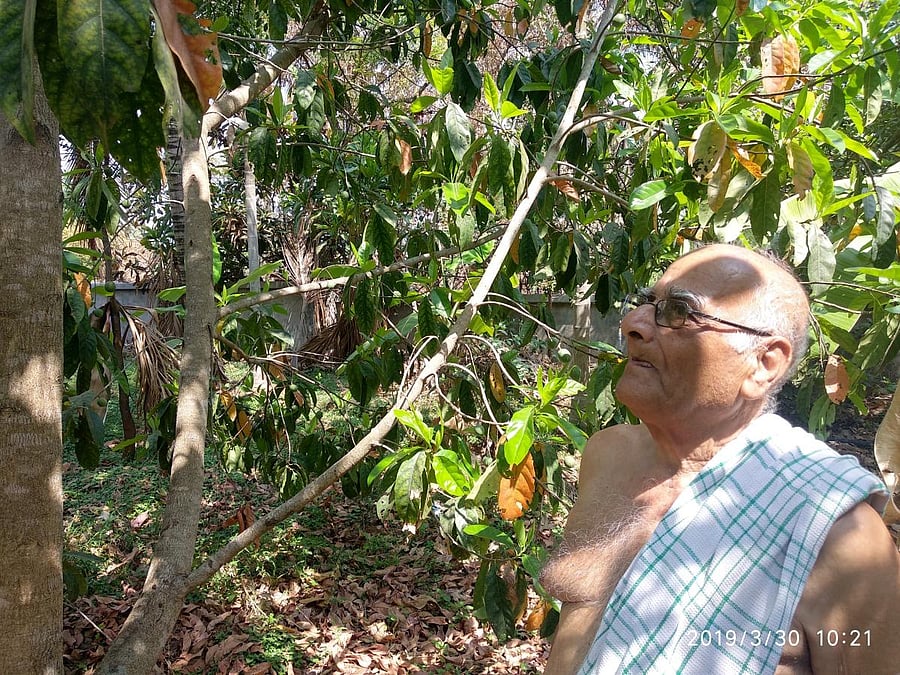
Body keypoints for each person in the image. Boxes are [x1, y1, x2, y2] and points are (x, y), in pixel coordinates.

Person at [540, 244, 900, 674]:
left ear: (764, 363)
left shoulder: (838, 535)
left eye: (680, 311)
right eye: (647, 302)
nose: (632, 323)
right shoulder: (607, 454)